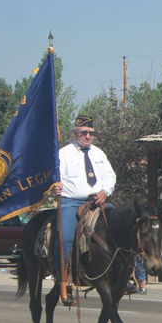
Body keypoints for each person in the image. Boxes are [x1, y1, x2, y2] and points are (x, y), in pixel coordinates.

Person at [53, 114, 116, 306]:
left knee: (119, 227)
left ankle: (124, 273)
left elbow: (110, 176)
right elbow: (55, 178)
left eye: (91, 133)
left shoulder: (99, 154)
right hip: (70, 201)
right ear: (75, 133)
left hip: (97, 202)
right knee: (65, 238)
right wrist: (55, 187)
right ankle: (65, 281)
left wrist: (105, 191)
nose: (88, 136)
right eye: (84, 133)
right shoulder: (63, 154)